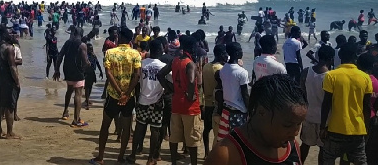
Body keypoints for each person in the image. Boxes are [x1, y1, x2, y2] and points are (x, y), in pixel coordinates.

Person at [204, 74, 306, 165]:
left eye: (299, 124)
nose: (295, 133)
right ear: (261, 112)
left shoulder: (292, 146)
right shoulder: (226, 155)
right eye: (287, 125)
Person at [90, 27, 141, 165]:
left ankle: (100, 157)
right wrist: (127, 93)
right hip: (129, 97)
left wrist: (119, 92)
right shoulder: (135, 54)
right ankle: (121, 156)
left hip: (113, 95)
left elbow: (108, 73)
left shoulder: (110, 53)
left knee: (105, 126)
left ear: (120, 37)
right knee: (126, 128)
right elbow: (137, 75)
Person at [320, 42, 372, 165]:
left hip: (335, 129)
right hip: (357, 130)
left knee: (328, 159)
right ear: (355, 56)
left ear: (340, 55)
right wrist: (366, 128)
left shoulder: (331, 75)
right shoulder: (365, 77)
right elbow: (367, 107)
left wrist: (322, 127)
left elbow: (326, 104)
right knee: (360, 160)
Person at [156, 35, 201, 165]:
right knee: (192, 138)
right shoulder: (190, 63)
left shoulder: (175, 60)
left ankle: (174, 162)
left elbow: (160, 74)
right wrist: (190, 94)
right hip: (189, 106)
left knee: (174, 137)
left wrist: (169, 89)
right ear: (191, 47)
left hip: (176, 102)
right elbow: (192, 81)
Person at [126, 39, 167, 165]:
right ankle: (150, 158)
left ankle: (133, 155)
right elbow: (170, 82)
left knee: (139, 127)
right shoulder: (163, 66)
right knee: (155, 130)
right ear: (160, 50)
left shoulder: (142, 64)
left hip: (142, 101)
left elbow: (136, 81)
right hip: (157, 103)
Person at [299, 45, 334, 164]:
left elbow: (301, 93)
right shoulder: (331, 76)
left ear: (318, 56)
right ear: (331, 58)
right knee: (323, 149)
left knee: (305, 145)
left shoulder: (306, 72)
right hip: (325, 119)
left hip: (308, 115)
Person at [54, 26, 90, 127]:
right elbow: (85, 61)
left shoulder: (67, 43)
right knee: (78, 94)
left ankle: (65, 112)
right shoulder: (82, 45)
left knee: (69, 90)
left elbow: (60, 56)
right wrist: (88, 65)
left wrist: (57, 70)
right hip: (77, 71)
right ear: (81, 34)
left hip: (67, 70)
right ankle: (76, 119)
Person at [216, 42, 249, 142]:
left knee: (226, 141)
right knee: (240, 142)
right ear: (237, 53)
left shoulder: (223, 69)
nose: (242, 52)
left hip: (226, 110)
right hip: (238, 112)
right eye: (241, 51)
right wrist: (250, 110)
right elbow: (245, 94)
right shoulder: (242, 72)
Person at [0, 28, 21, 139]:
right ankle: (9, 132)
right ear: (5, 35)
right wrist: (17, 81)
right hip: (8, 80)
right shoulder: (9, 48)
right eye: (10, 33)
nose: (12, 34)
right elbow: (12, 67)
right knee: (9, 106)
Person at [83, 42, 103, 110]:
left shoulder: (94, 56)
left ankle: (87, 99)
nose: (91, 51)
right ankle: (87, 102)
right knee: (87, 87)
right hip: (86, 73)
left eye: (92, 49)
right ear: (86, 50)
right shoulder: (85, 56)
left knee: (90, 86)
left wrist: (101, 72)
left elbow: (97, 64)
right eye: (89, 49)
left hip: (92, 73)